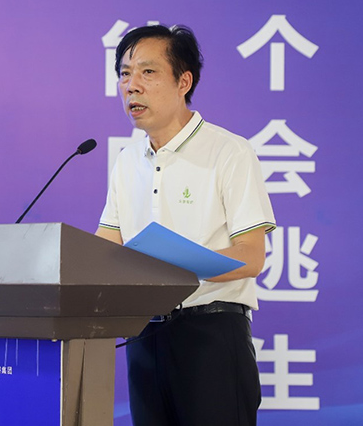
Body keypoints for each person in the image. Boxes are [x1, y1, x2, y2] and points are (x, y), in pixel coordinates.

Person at [96, 24, 275, 426]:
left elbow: (251, 257)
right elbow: (104, 247)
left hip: (211, 334)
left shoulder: (229, 151)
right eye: (124, 73)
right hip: (143, 334)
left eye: (147, 72)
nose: (131, 86)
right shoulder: (127, 160)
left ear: (183, 81)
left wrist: (174, 265)